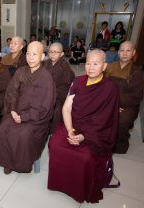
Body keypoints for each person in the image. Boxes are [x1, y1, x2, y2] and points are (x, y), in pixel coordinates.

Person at [48, 49, 119, 203]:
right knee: (55, 144)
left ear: (104, 66)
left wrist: (84, 136)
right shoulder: (78, 81)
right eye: (88, 63)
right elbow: (66, 108)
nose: (91, 67)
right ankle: (59, 183)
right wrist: (70, 131)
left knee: (85, 156)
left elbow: (105, 120)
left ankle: (78, 188)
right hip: (73, 124)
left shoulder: (109, 88)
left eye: (95, 64)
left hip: (95, 131)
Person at [0, 41, 56, 174]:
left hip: (36, 118)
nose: (31, 57)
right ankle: (7, 161)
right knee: (4, 128)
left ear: (42, 57)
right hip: (17, 111)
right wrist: (13, 110)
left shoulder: (46, 78)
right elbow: (11, 92)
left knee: (23, 134)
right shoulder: (20, 71)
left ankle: (19, 164)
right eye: (28, 54)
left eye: (35, 54)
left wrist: (25, 117)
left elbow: (45, 106)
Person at [105, 41, 144, 154]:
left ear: (133, 53)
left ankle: (119, 145)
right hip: (108, 101)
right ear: (118, 52)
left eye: (128, 50)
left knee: (122, 120)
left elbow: (136, 96)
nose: (125, 53)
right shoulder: (110, 66)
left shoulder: (136, 72)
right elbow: (101, 85)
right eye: (122, 50)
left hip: (126, 105)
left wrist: (117, 104)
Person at [44, 43, 75, 133]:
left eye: (56, 52)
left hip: (57, 96)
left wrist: (51, 93)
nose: (52, 54)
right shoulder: (45, 63)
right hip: (44, 93)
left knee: (56, 110)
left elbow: (65, 87)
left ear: (61, 54)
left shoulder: (65, 67)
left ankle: (53, 132)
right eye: (50, 52)